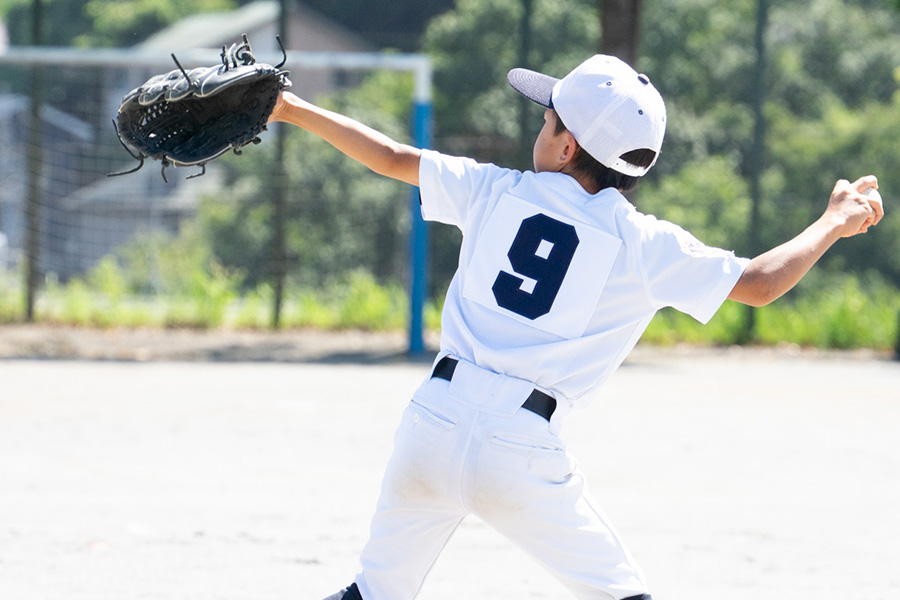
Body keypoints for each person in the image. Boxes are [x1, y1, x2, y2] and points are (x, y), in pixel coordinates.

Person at [268, 54, 883, 600]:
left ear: (566, 149)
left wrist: (291, 109)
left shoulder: (494, 189)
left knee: (373, 591)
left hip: (433, 417)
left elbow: (391, 157)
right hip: (520, 447)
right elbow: (761, 282)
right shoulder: (642, 242)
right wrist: (833, 221)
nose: (541, 129)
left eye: (548, 122)